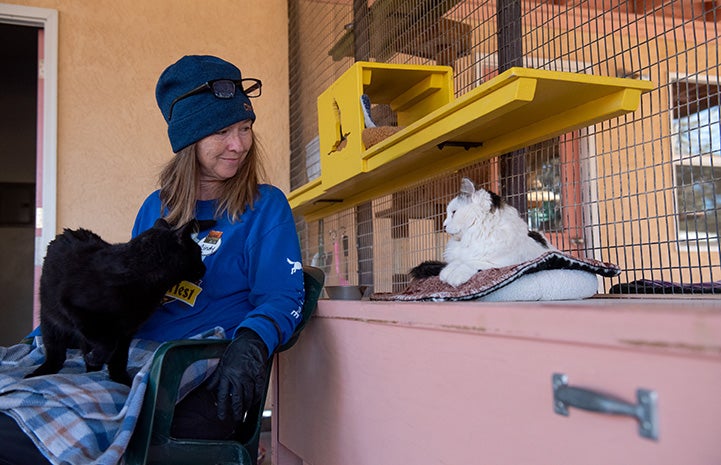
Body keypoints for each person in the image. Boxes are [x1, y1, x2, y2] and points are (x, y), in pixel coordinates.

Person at [0, 54, 305, 464]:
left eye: (245, 128)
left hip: (186, 366)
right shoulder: (156, 207)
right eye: (222, 131)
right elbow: (122, 287)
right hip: (130, 352)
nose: (239, 144)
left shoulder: (265, 206)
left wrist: (251, 343)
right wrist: (49, 333)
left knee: (17, 436)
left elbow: (282, 295)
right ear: (188, 141)